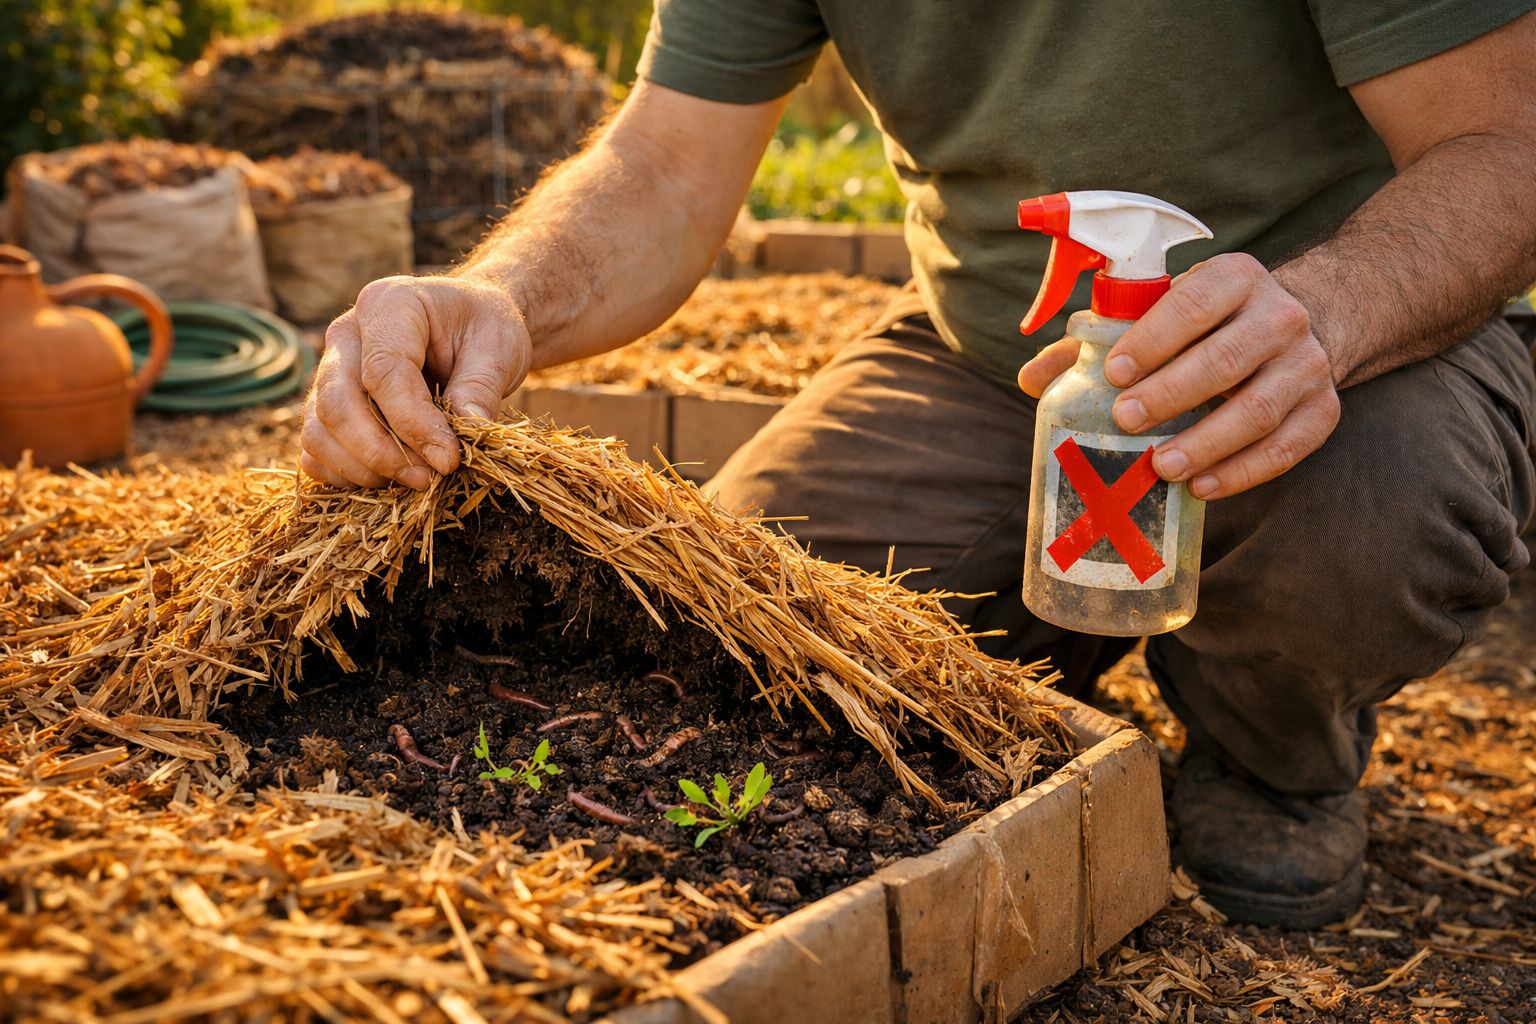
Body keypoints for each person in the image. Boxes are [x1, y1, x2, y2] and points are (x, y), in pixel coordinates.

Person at [300, 2, 1536, 928]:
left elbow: (1503, 141)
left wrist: (1322, 313)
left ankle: (1275, 754)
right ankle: (1033, 684)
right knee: (750, 626)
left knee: (1374, 526)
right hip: (989, 365)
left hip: (1344, 347)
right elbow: (665, 167)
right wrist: (497, 292)